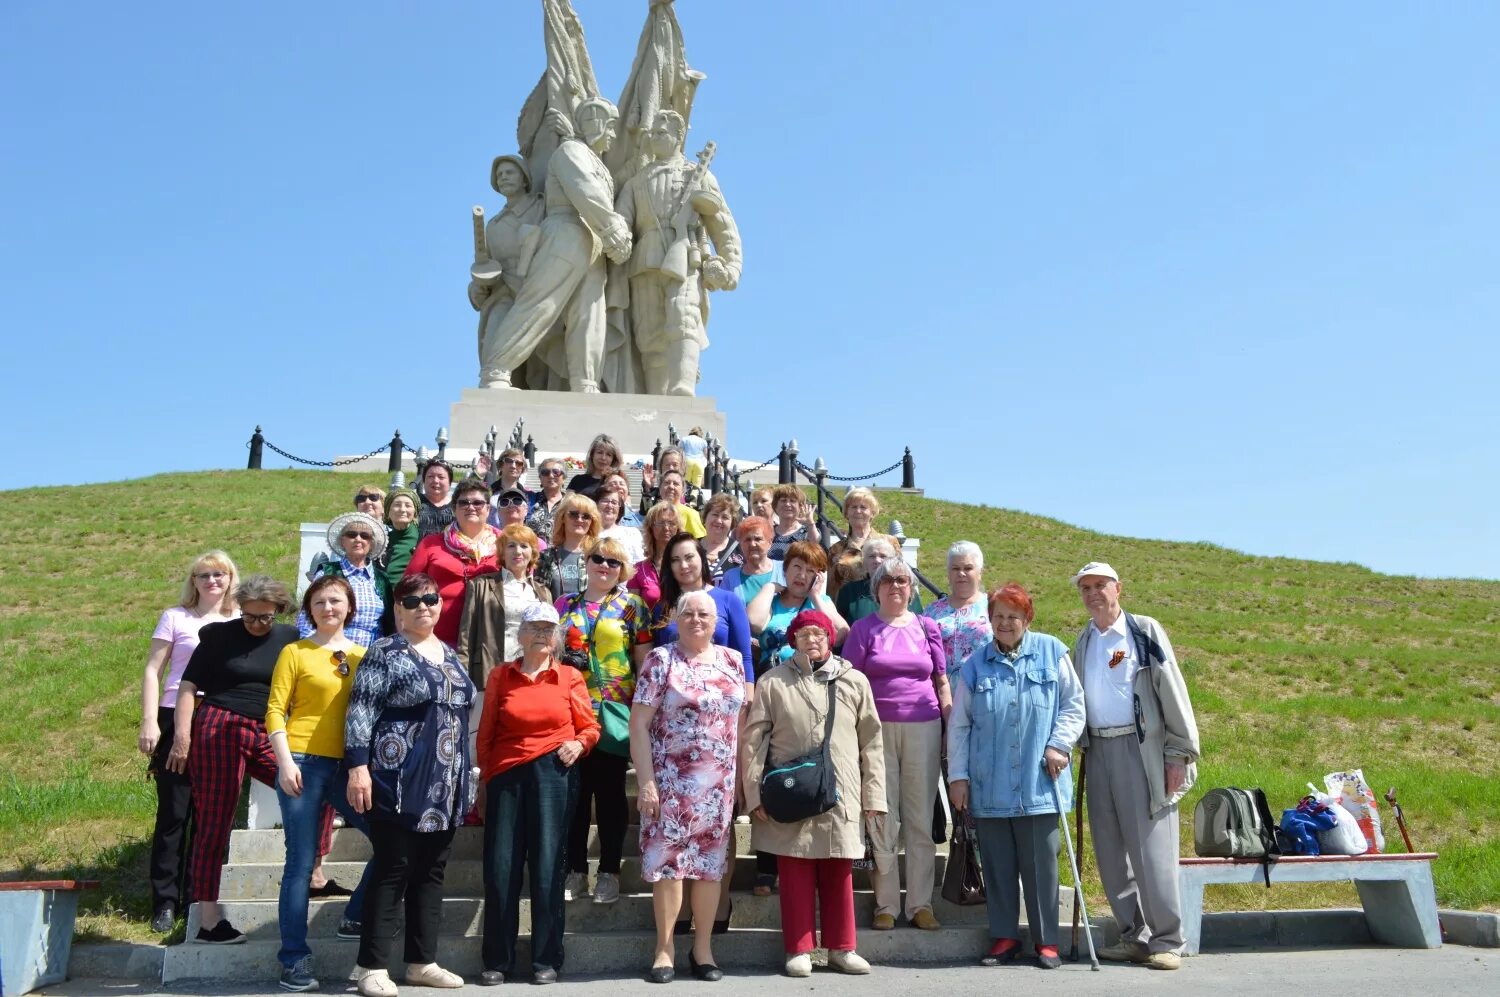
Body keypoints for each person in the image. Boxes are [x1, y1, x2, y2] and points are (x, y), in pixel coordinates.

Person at [166, 575, 317, 945]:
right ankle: (208, 918)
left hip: (269, 729)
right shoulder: (218, 636)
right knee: (214, 820)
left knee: (313, 787)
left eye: (265, 617)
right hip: (219, 726)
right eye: (250, 617)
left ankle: (314, 874)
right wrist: (182, 737)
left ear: (278, 611)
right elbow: (188, 687)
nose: (256, 624)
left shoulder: (289, 639)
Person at [345, 573, 476, 996]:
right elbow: (361, 711)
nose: (424, 606)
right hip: (397, 778)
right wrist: (357, 768)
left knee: (432, 872)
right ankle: (371, 966)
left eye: (431, 599)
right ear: (398, 608)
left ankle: (422, 961)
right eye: (413, 600)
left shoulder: (452, 655)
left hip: (446, 781)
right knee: (393, 868)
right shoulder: (385, 651)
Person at [1070, 562, 1200, 971]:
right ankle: (1134, 936)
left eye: (1100, 585)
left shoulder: (1143, 630)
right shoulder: (1084, 639)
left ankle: (1167, 939)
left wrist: (1177, 752)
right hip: (1098, 751)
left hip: (1141, 749)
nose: (1093, 593)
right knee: (1110, 851)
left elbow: (1171, 688)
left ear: (1118, 588)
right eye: (1085, 587)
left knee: (1151, 849)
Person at [742, 610, 885, 978]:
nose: (813, 640)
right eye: (804, 634)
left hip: (842, 788)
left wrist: (874, 796)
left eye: (819, 633)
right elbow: (754, 740)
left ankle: (842, 948)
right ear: (793, 640)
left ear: (830, 637)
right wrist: (754, 792)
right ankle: (799, 948)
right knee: (794, 868)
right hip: (791, 791)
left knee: (839, 868)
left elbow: (872, 741)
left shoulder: (854, 680)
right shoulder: (773, 682)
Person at [949, 582, 1084, 969]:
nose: (1005, 623)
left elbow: (1074, 705)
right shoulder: (976, 664)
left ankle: (1046, 942)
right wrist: (958, 776)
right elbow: (960, 725)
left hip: (1039, 782)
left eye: (1013, 616)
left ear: (1028, 618)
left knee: (1041, 865)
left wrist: (1059, 744)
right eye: (998, 616)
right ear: (989, 620)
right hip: (989, 783)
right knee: (997, 864)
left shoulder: (1052, 651)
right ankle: (1005, 937)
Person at [477, 603, 599, 986]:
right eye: (535, 627)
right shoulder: (501, 675)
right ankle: (498, 960)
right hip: (506, 774)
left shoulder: (569, 677)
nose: (543, 634)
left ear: (558, 638)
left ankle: (546, 959)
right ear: (521, 634)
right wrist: (484, 780)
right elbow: (486, 732)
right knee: (501, 868)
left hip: (553, 773)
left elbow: (590, 727)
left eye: (550, 628)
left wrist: (579, 745)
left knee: (548, 867)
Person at [631, 591, 747, 983]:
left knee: (710, 869)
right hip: (670, 786)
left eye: (704, 614)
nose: (697, 620)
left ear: (716, 622)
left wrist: (744, 780)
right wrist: (646, 781)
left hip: (718, 787)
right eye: (689, 613)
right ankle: (664, 950)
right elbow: (639, 725)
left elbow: (740, 727)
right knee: (669, 869)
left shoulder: (732, 661)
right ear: (676, 619)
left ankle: (703, 950)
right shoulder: (661, 660)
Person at [266, 575, 376, 991]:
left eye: (335, 601)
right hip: (302, 761)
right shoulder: (295, 651)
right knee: (300, 861)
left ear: (349, 606)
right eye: (319, 602)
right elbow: (275, 710)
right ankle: (293, 959)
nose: (328, 608)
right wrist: (283, 762)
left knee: (386, 838)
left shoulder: (363, 656)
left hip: (347, 767)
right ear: (309, 609)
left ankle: (356, 914)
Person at [479, 98, 632, 391]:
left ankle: (584, 382)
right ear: (594, 123)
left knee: (589, 315)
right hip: (567, 231)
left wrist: (615, 231)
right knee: (540, 302)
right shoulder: (571, 151)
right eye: (610, 125)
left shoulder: (596, 161)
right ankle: (496, 370)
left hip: (593, 242)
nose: (613, 133)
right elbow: (585, 192)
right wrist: (614, 229)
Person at [841, 558, 950, 931]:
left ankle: (920, 904)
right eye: (886, 580)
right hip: (876, 730)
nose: (895, 586)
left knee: (919, 818)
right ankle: (886, 904)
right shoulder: (863, 629)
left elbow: (941, 680)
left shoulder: (927, 627)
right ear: (876, 589)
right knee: (881, 815)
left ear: (911, 587)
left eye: (902, 580)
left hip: (924, 726)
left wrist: (950, 725)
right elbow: (849, 683)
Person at [139, 550, 239, 933]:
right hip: (173, 716)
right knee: (174, 813)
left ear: (231, 578)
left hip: (220, 719)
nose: (212, 580)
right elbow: (153, 669)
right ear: (193, 580)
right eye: (204, 575)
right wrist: (150, 721)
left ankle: (201, 897)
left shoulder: (238, 619)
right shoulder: (175, 617)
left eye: (220, 574)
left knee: (211, 815)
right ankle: (164, 901)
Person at [615, 108, 743, 396]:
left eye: (662, 132)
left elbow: (723, 225)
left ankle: (683, 388)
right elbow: (622, 221)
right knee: (649, 332)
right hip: (645, 262)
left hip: (686, 255)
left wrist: (731, 268)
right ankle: (657, 398)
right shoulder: (636, 183)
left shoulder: (697, 176)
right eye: (653, 133)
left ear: (678, 136)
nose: (655, 138)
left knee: (683, 318)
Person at [555, 537, 653, 907]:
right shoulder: (566, 604)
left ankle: (609, 872)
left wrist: (646, 710)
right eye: (598, 558)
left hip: (614, 709)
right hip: (572, 709)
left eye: (614, 562)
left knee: (610, 794)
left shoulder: (632, 605)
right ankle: (576, 870)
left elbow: (643, 661)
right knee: (575, 796)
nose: (605, 566)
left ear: (622, 569)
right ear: (587, 561)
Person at [456, 523, 550, 774]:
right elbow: (466, 635)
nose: (518, 551)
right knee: (478, 745)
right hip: (488, 673)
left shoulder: (541, 592)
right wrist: (462, 678)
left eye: (524, 546)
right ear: (502, 552)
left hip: (528, 676)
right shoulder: (481, 585)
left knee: (520, 740)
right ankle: (475, 808)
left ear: (533, 553)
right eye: (511, 546)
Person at [470, 154, 547, 387]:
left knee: (540, 365)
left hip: (538, 289)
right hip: (504, 293)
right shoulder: (493, 226)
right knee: (494, 336)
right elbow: (487, 267)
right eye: (499, 175)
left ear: (524, 179)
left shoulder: (542, 208)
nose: (503, 177)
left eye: (509, 172)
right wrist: (478, 288)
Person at [404, 478, 501, 648]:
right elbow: (407, 590)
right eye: (464, 503)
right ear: (454, 508)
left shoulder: (505, 543)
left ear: (488, 508)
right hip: (438, 641)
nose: (471, 507)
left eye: (478, 502)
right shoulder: (431, 544)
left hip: (490, 643)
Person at [653, 534, 753, 679]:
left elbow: (745, 658)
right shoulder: (662, 607)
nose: (683, 565)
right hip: (673, 693)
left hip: (722, 691)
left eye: (689, 557)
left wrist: (749, 698)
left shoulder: (729, 600)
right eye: (675, 560)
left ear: (702, 558)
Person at [748, 540, 848, 673]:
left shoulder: (821, 602)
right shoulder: (771, 601)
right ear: (785, 569)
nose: (802, 575)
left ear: (818, 576)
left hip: (812, 679)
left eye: (810, 570)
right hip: (774, 680)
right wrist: (770, 587)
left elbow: (840, 636)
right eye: (797, 567)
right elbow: (754, 623)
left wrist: (815, 596)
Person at [300, 512, 386, 648]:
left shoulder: (382, 580)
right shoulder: (327, 572)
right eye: (352, 534)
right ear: (342, 541)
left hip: (372, 657)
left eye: (365, 536)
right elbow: (306, 617)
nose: (358, 539)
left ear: (371, 543)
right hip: (331, 651)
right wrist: (310, 650)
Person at [924, 541, 991, 674]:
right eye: (955, 568)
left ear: (980, 572)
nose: (961, 573)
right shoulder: (931, 611)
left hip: (984, 688)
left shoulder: (994, 605)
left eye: (968, 568)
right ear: (948, 573)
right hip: (942, 690)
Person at [834, 538, 922, 624]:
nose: (877, 560)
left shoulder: (905, 590)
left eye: (883, 556)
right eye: (872, 556)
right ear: (864, 562)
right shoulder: (849, 591)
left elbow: (918, 623)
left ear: (892, 561)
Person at [534, 494, 601, 601]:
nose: (580, 519)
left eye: (586, 516)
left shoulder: (598, 557)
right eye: (573, 514)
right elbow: (539, 596)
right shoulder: (546, 556)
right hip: (555, 616)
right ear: (563, 517)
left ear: (592, 522)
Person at [377, 488, 421, 636]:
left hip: (410, 604)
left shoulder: (423, 537)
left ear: (414, 512)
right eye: (397, 505)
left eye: (408, 505)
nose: (402, 509)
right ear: (388, 511)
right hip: (384, 602)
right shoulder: (381, 539)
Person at [825, 488, 880, 599]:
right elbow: (830, 589)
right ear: (846, 513)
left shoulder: (888, 543)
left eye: (863, 507)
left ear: (872, 513)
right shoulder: (836, 550)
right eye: (853, 507)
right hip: (846, 610)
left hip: (881, 608)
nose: (858, 511)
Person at [630, 502, 683, 610]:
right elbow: (632, 610)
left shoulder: (686, 565)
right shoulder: (638, 569)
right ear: (651, 527)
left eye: (671, 523)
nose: (666, 528)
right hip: (648, 626)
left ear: (678, 528)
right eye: (661, 523)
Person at [596, 487, 645, 565]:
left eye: (614, 502)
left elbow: (639, 565)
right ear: (596, 504)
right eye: (605, 501)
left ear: (620, 508)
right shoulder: (587, 533)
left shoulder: (632, 533)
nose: (609, 505)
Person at [566, 434, 624, 500]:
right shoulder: (577, 480)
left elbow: (625, 506)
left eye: (608, 455)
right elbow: (566, 506)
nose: (603, 458)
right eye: (600, 452)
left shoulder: (618, 483)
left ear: (613, 459)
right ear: (592, 455)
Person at [700, 493, 741, 583]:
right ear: (705, 517)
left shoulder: (740, 549)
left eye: (725, 517)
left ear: (732, 523)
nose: (719, 521)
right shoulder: (692, 545)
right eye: (715, 514)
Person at [766, 484, 815, 562]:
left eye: (792, 501)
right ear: (775, 506)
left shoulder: (807, 531)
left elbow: (815, 542)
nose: (787, 504)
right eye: (783, 500)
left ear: (800, 506)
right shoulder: (767, 532)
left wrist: (810, 524)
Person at [525, 457, 570, 539]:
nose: (551, 475)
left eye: (556, 472)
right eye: (545, 472)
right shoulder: (528, 500)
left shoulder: (570, 503)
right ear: (540, 478)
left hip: (561, 550)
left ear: (564, 478)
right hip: (533, 550)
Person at [655, 469, 706, 539]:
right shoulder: (654, 513)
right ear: (660, 488)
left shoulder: (691, 514)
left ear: (683, 490)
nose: (671, 486)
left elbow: (700, 543)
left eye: (676, 484)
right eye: (666, 483)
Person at [416, 460, 456, 538]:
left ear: (450, 482)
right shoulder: (414, 502)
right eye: (430, 476)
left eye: (441, 477)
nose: (435, 481)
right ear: (424, 481)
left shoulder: (458, 505)